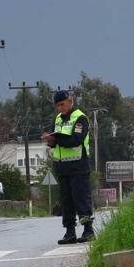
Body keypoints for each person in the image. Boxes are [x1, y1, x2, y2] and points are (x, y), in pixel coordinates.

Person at [42, 90, 94, 244]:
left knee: (81, 200)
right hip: (62, 167)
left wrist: (56, 140)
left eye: (62, 104)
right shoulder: (57, 119)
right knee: (66, 201)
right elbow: (55, 141)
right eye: (58, 105)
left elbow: (76, 140)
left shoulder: (80, 118)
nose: (60, 108)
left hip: (78, 166)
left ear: (70, 101)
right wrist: (50, 141)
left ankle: (88, 230)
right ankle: (70, 232)